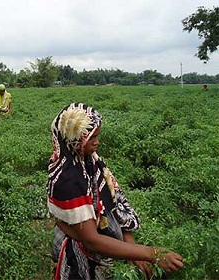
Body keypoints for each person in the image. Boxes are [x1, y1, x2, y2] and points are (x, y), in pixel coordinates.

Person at [46, 103, 184, 280]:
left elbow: (114, 202)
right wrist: (151, 253)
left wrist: (131, 247)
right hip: (82, 253)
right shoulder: (68, 178)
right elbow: (91, 240)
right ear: (74, 139)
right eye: (91, 137)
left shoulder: (90, 160)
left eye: (97, 135)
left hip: (107, 245)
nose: (97, 142)